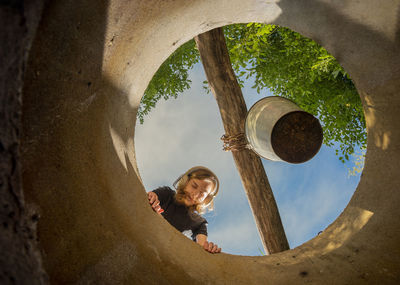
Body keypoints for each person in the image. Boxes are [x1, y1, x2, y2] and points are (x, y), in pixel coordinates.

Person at [147, 166, 222, 254]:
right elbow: (149, 198)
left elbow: (202, 247)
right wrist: (151, 197)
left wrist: (209, 248)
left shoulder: (199, 223)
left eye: (202, 193)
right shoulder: (166, 194)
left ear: (206, 199)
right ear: (186, 181)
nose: (195, 194)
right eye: (194, 186)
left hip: (163, 251)